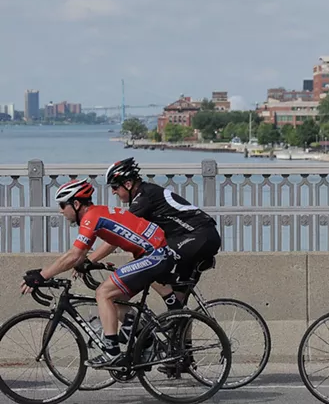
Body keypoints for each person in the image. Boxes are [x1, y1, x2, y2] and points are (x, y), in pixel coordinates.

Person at [20, 178, 175, 368]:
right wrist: (87, 262)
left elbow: (73, 255)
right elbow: (107, 244)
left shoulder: (91, 218)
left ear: (76, 204)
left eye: (62, 205)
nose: (61, 211)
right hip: (153, 252)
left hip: (154, 254)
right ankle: (149, 345)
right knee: (116, 302)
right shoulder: (98, 213)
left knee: (103, 293)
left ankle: (112, 353)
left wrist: (42, 275)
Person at [85, 157, 221, 314]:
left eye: (115, 187)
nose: (113, 191)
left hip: (198, 236)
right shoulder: (146, 193)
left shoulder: (143, 199)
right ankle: (182, 332)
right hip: (194, 238)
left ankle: (171, 303)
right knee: (179, 307)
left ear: (128, 184)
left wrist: (89, 260)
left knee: (150, 261)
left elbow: (118, 235)